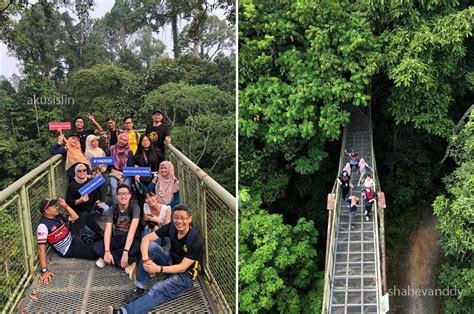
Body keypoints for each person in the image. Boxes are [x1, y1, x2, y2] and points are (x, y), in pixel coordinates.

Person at [106, 204, 203, 314]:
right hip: (170, 263)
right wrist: (147, 261)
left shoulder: (195, 239)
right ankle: (140, 287)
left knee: (157, 289)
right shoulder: (172, 227)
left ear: (189, 219)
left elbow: (182, 267)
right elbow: (146, 239)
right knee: (151, 247)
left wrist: (158, 269)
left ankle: (123, 312)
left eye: (183, 218)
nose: (179, 221)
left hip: (185, 275)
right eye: (176, 217)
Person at [36, 198, 103, 285]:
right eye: (54, 206)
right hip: (68, 248)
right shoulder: (42, 226)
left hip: (71, 236)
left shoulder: (56, 216)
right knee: (94, 252)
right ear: (47, 211)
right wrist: (44, 271)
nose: (57, 207)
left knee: (85, 215)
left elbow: (75, 217)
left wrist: (65, 205)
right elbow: (41, 248)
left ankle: (101, 234)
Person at [95, 185, 141, 276]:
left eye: (125, 194)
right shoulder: (112, 209)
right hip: (118, 239)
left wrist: (125, 251)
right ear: (116, 196)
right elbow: (108, 230)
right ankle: (126, 267)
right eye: (120, 194)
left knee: (137, 247)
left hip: (131, 240)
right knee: (97, 245)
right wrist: (107, 251)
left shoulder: (135, 208)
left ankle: (104, 257)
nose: (123, 196)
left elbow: (132, 232)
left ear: (130, 195)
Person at [134, 134, 163, 207]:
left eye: (147, 140)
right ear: (140, 142)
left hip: (155, 175)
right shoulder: (138, 153)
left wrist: (160, 174)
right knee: (137, 183)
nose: (145, 142)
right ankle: (143, 208)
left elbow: (162, 163)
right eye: (143, 141)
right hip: (143, 176)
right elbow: (136, 165)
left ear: (150, 141)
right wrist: (136, 175)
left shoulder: (156, 151)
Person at [109, 133, 134, 206]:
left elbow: (130, 167)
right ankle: (116, 208)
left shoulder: (129, 151)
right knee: (114, 187)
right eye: (121, 139)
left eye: (124, 140)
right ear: (118, 139)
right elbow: (109, 164)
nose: (122, 141)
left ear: (127, 141)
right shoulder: (111, 149)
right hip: (114, 173)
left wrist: (123, 178)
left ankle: (126, 208)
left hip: (126, 173)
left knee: (126, 189)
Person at [84, 134, 109, 201]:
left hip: (101, 172)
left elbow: (105, 163)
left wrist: (103, 169)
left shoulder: (101, 151)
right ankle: (96, 202)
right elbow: (88, 168)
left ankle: (103, 201)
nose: (96, 143)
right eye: (93, 141)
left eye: (96, 141)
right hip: (91, 174)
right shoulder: (87, 154)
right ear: (89, 143)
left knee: (104, 181)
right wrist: (97, 167)